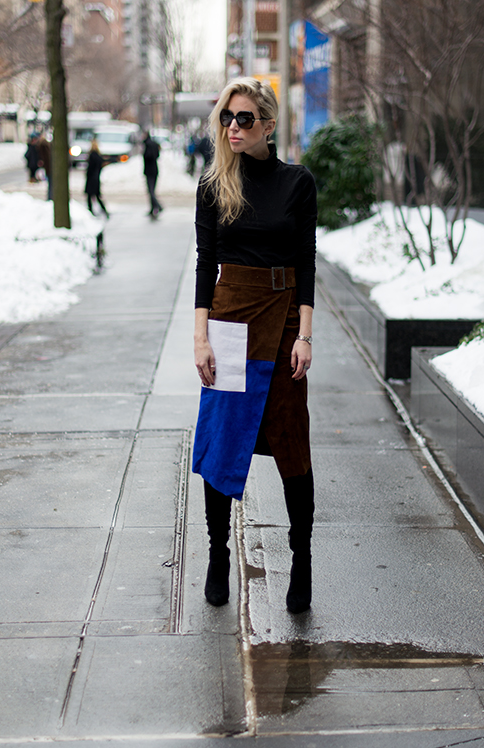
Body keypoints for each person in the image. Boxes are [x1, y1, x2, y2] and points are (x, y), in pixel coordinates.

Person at [192, 78, 317, 615]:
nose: (234, 128)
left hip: (285, 318)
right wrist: (200, 338)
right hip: (230, 320)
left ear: (268, 124)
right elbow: (204, 266)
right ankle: (218, 555)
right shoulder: (214, 184)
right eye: (227, 118)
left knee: (291, 441)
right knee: (222, 440)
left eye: (245, 118)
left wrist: (306, 334)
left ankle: (303, 559)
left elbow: (307, 263)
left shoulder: (297, 182)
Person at [85, 140, 110, 218]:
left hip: (91, 178)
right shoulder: (98, 156)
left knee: (90, 196)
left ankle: (91, 210)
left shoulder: (92, 155)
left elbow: (90, 168)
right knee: (96, 196)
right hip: (96, 178)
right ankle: (102, 210)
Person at [142, 131, 163, 217]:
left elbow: (148, 155)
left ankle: (158, 206)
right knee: (152, 190)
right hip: (155, 169)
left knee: (150, 191)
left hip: (149, 170)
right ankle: (153, 208)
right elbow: (157, 156)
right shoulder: (155, 144)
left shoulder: (147, 144)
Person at [37, 134, 52, 201]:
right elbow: (47, 158)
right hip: (50, 168)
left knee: (51, 184)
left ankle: (50, 197)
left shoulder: (42, 145)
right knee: (51, 184)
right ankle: (50, 198)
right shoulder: (44, 145)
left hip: (48, 168)